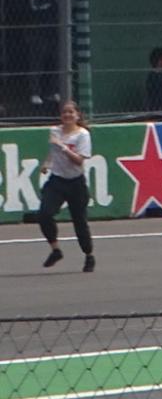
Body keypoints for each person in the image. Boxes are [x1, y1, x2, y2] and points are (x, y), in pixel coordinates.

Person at [34, 100, 95, 273]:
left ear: (77, 115)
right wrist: (47, 163)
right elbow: (52, 152)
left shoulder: (82, 135)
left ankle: (88, 255)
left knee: (79, 221)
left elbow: (78, 162)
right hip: (57, 181)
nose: (67, 115)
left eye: (71, 112)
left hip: (76, 182)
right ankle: (55, 249)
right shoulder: (55, 131)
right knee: (44, 214)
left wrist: (64, 148)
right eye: (64, 112)